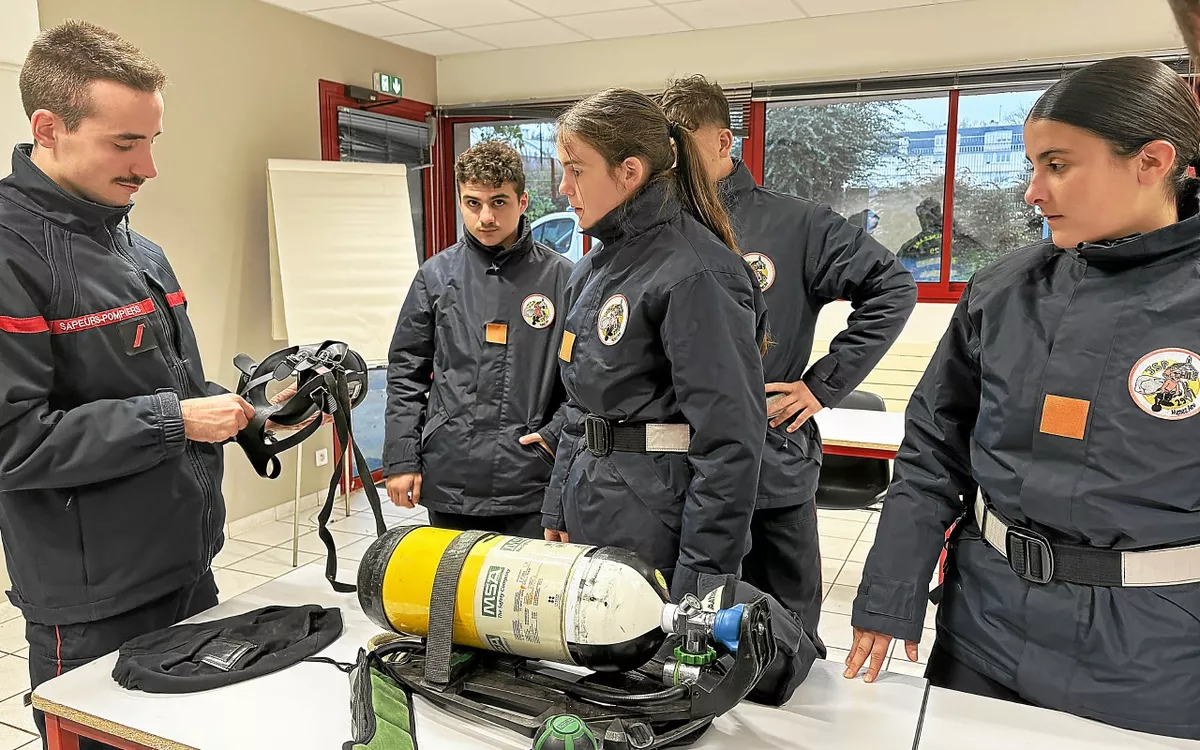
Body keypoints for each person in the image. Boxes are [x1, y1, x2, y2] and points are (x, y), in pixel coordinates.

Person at [847, 56, 1200, 740]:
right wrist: (890, 595)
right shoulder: (1003, 291)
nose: (1033, 192)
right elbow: (932, 452)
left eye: (1058, 165)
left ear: (1152, 161)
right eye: (1032, 166)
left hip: (1156, 655)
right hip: (985, 629)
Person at [0, 21, 257, 746]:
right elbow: (12, 441)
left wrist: (253, 415)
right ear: (48, 129)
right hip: (93, 605)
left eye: (152, 141)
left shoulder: (138, 250)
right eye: (125, 143)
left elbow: (174, 389)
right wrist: (175, 420)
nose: (149, 167)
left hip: (188, 569)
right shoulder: (10, 257)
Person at [659, 75, 916, 650]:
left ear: (722, 142)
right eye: (664, 150)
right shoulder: (661, 231)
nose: (672, 164)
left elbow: (893, 286)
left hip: (768, 461)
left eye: (682, 147)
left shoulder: (795, 224)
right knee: (690, 632)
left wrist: (822, 385)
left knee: (783, 633)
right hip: (679, 467)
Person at [540, 87, 769, 603]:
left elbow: (730, 442)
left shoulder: (696, 273)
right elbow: (581, 404)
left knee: (645, 648)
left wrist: (702, 585)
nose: (564, 187)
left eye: (575, 170)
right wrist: (558, 502)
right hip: (592, 498)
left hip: (659, 520)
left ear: (629, 172)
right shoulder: (593, 269)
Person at [383, 140, 572, 539]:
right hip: (451, 475)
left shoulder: (563, 279)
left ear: (522, 202)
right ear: (460, 202)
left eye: (498, 202)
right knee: (454, 578)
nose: (486, 217)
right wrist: (401, 460)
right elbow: (406, 374)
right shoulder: (435, 276)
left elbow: (582, 380)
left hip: (529, 478)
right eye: (473, 203)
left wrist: (552, 437)